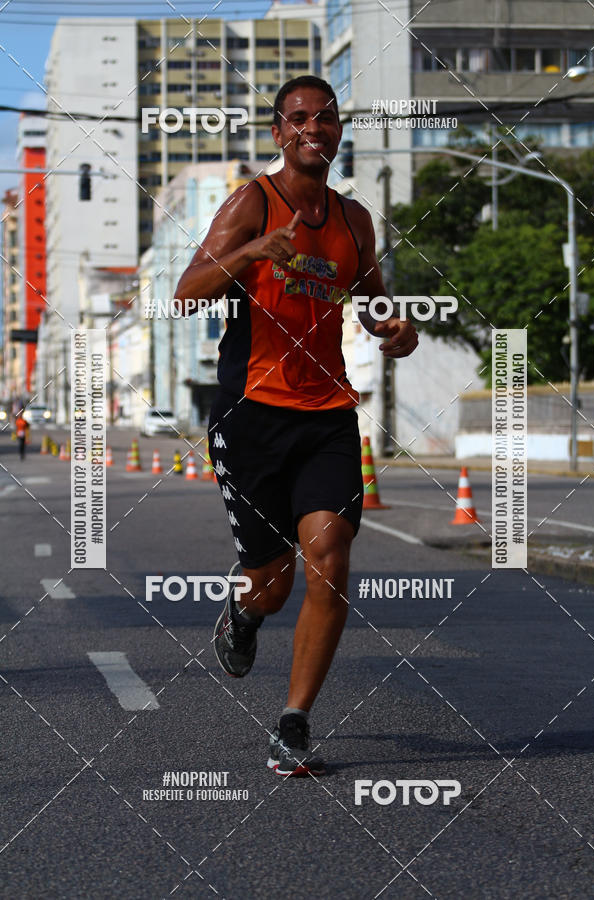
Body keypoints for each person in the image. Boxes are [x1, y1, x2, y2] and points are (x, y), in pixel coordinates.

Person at [175, 75, 418, 776]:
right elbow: (186, 294)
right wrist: (251, 254)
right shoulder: (253, 202)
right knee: (271, 580)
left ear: (339, 132)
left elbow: (374, 305)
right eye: (301, 118)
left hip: (327, 415)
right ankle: (246, 613)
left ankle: (294, 720)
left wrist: (394, 330)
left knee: (330, 557)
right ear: (280, 132)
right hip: (253, 414)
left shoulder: (354, 220)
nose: (316, 127)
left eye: (328, 117)